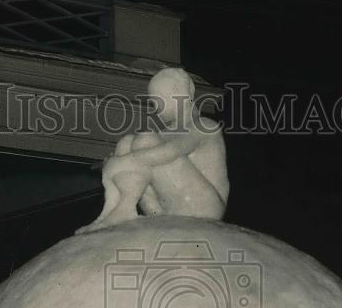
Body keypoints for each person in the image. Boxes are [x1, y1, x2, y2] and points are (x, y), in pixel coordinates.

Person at [76, 68, 229, 234]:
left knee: (145, 141)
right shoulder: (165, 133)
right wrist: (118, 161)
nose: (155, 108)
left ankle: (125, 207)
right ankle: (113, 210)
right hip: (164, 210)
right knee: (127, 143)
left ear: (178, 93)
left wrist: (121, 162)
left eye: (157, 100)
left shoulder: (204, 125)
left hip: (203, 208)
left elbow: (169, 152)